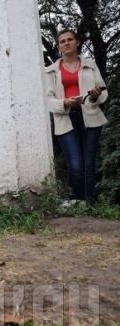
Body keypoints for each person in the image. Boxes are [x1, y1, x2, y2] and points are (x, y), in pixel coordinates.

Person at [45, 29, 108, 203]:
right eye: (62, 41)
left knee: (89, 163)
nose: (67, 43)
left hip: (90, 114)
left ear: (77, 42)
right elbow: (47, 101)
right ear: (58, 46)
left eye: (70, 39)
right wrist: (64, 103)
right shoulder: (50, 71)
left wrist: (95, 95)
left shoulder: (90, 65)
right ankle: (76, 201)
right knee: (75, 164)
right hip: (65, 117)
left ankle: (89, 203)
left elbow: (103, 92)